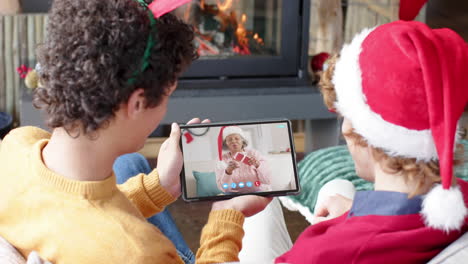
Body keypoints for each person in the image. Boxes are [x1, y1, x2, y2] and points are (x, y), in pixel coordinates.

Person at [0, 0, 271, 263]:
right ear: (138, 103)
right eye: (168, 95)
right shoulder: (140, 252)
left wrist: (160, 186)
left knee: (132, 164)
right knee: (268, 217)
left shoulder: (17, 143)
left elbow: (70, 213)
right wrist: (226, 215)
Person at [235, 20, 468, 264]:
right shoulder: (459, 201)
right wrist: (354, 212)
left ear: (353, 130)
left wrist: (224, 218)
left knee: (254, 205)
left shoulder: (323, 253)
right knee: (336, 186)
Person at [215, 126, 271, 194]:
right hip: (233, 195)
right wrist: (228, 172)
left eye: (237, 138)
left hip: (256, 192)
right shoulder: (222, 160)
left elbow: (267, 181)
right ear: (226, 143)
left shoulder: (254, 153)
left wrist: (257, 165)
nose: (233, 141)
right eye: (230, 139)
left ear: (242, 140)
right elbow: (224, 188)